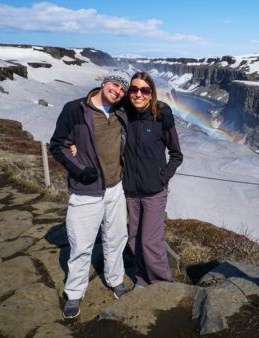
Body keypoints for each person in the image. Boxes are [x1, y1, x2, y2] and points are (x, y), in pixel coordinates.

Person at [49, 70, 131, 319]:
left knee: (116, 238)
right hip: (86, 192)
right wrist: (79, 169)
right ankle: (74, 294)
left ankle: (116, 280)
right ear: (104, 83)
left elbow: (148, 106)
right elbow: (58, 144)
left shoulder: (121, 111)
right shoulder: (75, 109)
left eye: (122, 89)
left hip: (116, 188)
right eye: (115, 84)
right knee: (81, 245)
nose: (117, 91)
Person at [123, 72, 183, 287]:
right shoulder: (124, 116)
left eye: (144, 90)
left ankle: (162, 284)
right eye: (134, 89)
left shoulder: (160, 117)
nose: (138, 94)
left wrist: (162, 179)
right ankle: (141, 278)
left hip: (154, 192)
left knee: (150, 241)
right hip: (130, 191)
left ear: (151, 94)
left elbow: (177, 155)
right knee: (133, 239)